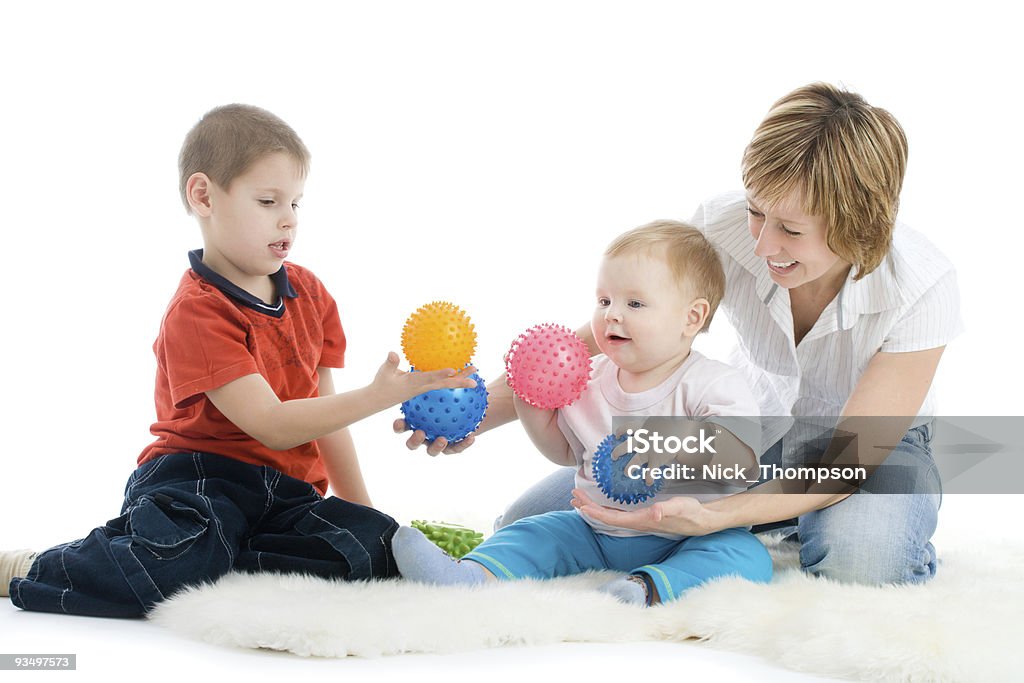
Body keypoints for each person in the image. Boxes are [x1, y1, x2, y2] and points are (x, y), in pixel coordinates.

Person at [396, 82, 961, 586]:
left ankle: (798, 523)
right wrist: (473, 413)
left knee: (865, 565)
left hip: (869, 451)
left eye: (791, 229)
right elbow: (617, 329)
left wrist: (716, 515)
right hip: (742, 432)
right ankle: (777, 520)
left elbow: (850, 455)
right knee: (535, 524)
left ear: (859, 223)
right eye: (756, 212)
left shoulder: (921, 285)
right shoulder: (717, 225)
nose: (763, 245)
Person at [0, 104, 475, 617]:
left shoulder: (309, 294)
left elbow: (325, 419)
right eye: (268, 200)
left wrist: (364, 515)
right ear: (203, 195)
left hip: (286, 496)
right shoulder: (198, 312)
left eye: (295, 201)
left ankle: (228, 561)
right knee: (178, 558)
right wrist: (380, 396)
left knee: (369, 551)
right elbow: (271, 425)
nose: (288, 218)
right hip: (198, 481)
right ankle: (37, 567)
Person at [392, 222, 773, 605]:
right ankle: (468, 576)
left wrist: (671, 448)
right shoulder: (589, 379)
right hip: (596, 530)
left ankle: (645, 588)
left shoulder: (712, 383)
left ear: (692, 318)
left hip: (687, 535)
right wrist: (530, 404)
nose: (612, 315)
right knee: (531, 533)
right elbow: (567, 453)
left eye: (634, 304)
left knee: (746, 555)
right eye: (604, 300)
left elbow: (739, 461)